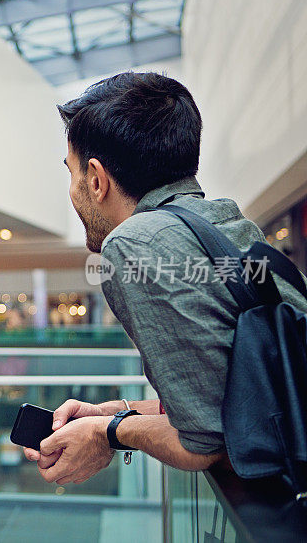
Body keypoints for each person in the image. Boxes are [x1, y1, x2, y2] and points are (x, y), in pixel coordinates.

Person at [23, 72, 307, 485]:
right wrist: (109, 413)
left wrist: (106, 433)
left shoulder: (132, 245)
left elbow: (204, 441)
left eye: (73, 173)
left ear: (97, 179)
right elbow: (228, 396)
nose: (73, 189)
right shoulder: (218, 219)